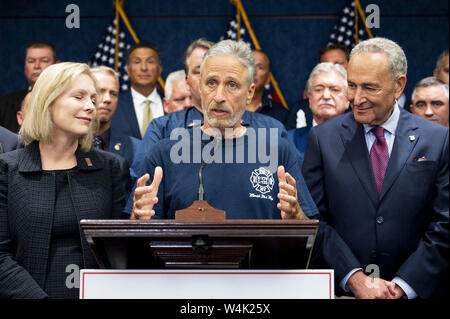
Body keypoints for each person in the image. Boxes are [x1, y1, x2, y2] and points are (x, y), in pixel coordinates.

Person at [302, 37, 448, 299]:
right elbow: (314, 220)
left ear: (398, 86)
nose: (357, 99)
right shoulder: (323, 139)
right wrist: (355, 278)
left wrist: (404, 285)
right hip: (346, 292)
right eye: (352, 86)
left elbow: (445, 223)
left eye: (370, 88)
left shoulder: (437, 140)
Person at [126, 39, 318, 221]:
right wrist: (137, 218)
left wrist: (297, 217)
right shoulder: (163, 154)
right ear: (200, 88)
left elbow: (307, 229)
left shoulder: (278, 150)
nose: (219, 96)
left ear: (250, 93)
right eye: (211, 83)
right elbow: (138, 233)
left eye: (232, 85)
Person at [0, 62, 131, 299]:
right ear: (47, 103)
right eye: (79, 97)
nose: (91, 106)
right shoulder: (7, 169)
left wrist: (134, 222)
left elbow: (119, 259)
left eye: (93, 98)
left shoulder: (111, 168)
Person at [130, 39, 290, 180]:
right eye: (207, 77)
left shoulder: (272, 130)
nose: (219, 94)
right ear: (189, 81)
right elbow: (142, 187)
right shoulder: (162, 129)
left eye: (231, 83)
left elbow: (298, 202)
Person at [287, 62, 349, 158]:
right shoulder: (288, 141)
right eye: (319, 89)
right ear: (310, 99)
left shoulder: (361, 140)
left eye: (334, 90)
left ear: (347, 99)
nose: (326, 96)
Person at [0, 42, 58, 133]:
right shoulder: (6, 103)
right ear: (25, 67)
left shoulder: (68, 100)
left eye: (44, 60)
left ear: (57, 65)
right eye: (31, 61)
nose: (36, 66)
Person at [111, 42, 164, 141]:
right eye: (137, 62)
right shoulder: (114, 104)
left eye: (150, 62)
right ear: (128, 70)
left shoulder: (171, 102)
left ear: (159, 70)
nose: (144, 68)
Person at [90, 66, 140, 168]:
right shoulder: (68, 144)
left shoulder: (135, 148)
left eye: (113, 94)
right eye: (100, 91)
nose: (108, 99)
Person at [245, 50, 290, 127]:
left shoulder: (281, 115)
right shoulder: (226, 107)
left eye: (260, 67)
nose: (253, 71)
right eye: (249, 65)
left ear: (268, 79)